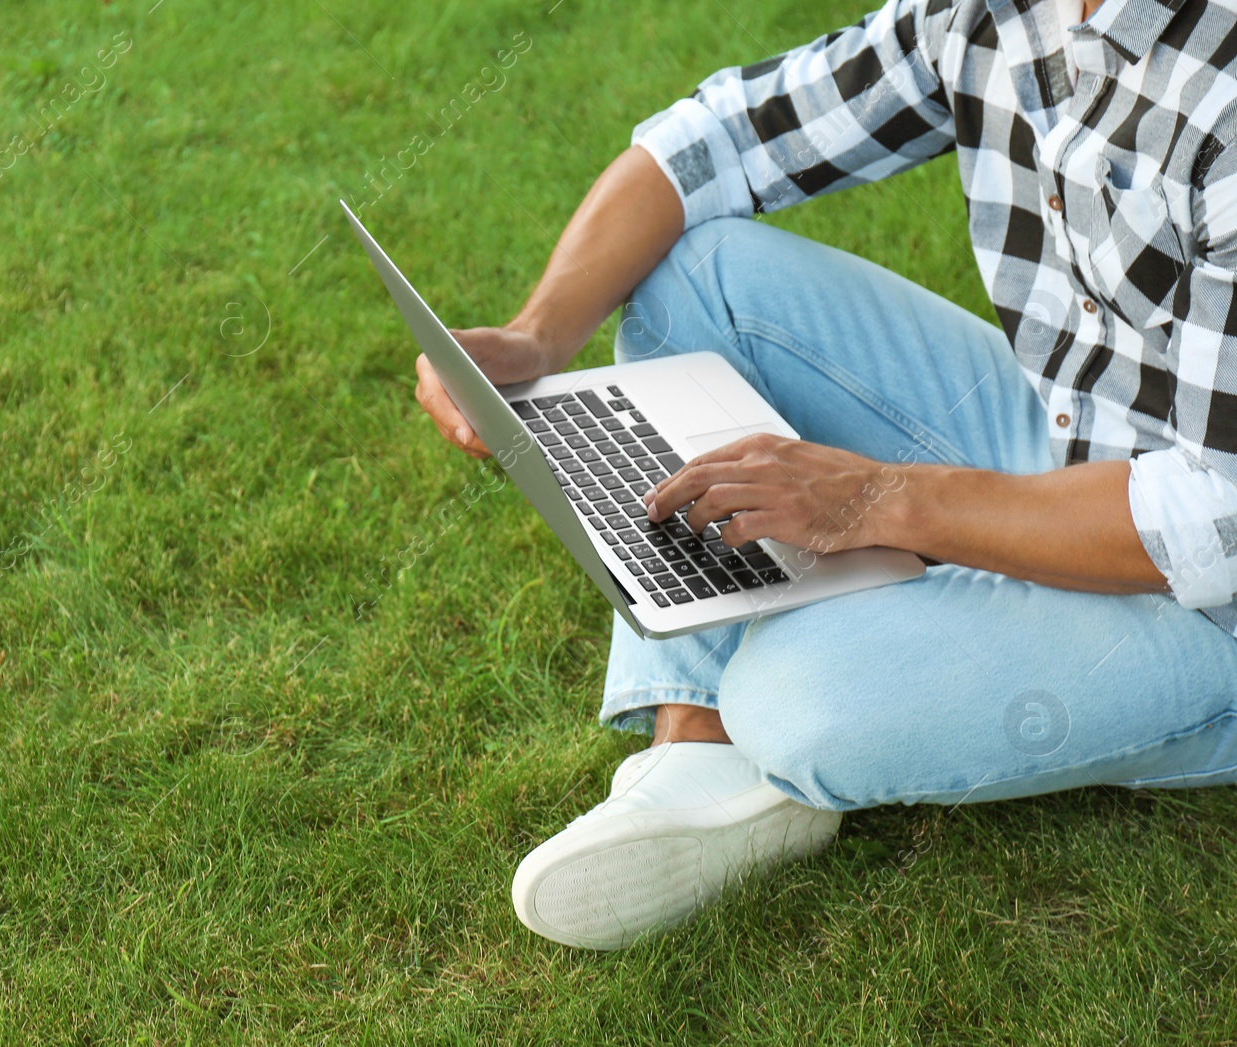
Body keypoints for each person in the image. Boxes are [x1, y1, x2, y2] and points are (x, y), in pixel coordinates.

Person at [413, 0, 1237, 950]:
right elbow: (719, 140)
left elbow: (1216, 515)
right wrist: (537, 332)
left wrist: (883, 500)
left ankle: (769, 723)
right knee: (705, 275)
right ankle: (697, 750)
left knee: (795, 704)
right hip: (1068, 435)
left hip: (1205, 592)